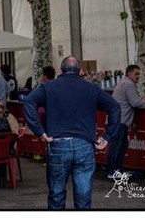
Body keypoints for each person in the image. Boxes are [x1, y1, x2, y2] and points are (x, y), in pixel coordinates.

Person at [24, 55, 121, 210]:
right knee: (83, 198)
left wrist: (39, 132)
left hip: (57, 144)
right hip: (85, 143)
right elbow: (115, 107)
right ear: (80, 71)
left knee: (56, 196)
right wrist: (108, 136)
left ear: (61, 70)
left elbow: (29, 101)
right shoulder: (92, 88)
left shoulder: (48, 87)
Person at [108, 64, 145, 178]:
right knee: (117, 146)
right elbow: (135, 103)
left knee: (121, 145)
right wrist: (144, 100)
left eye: (139, 74)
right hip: (120, 120)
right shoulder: (129, 84)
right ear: (129, 73)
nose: (138, 76)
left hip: (117, 119)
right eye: (136, 74)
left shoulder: (123, 83)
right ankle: (112, 171)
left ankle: (116, 170)